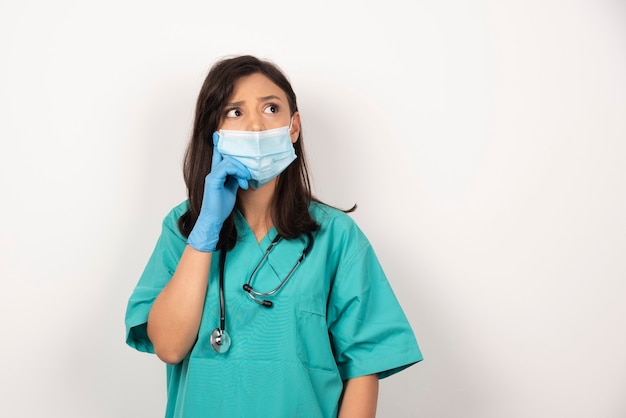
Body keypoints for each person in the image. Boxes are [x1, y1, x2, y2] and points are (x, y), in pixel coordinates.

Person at [125, 54, 422, 418]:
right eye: (235, 112)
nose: (254, 127)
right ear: (214, 133)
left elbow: (364, 363)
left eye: (270, 108)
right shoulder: (183, 228)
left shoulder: (335, 236)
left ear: (293, 126)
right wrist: (205, 230)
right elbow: (169, 347)